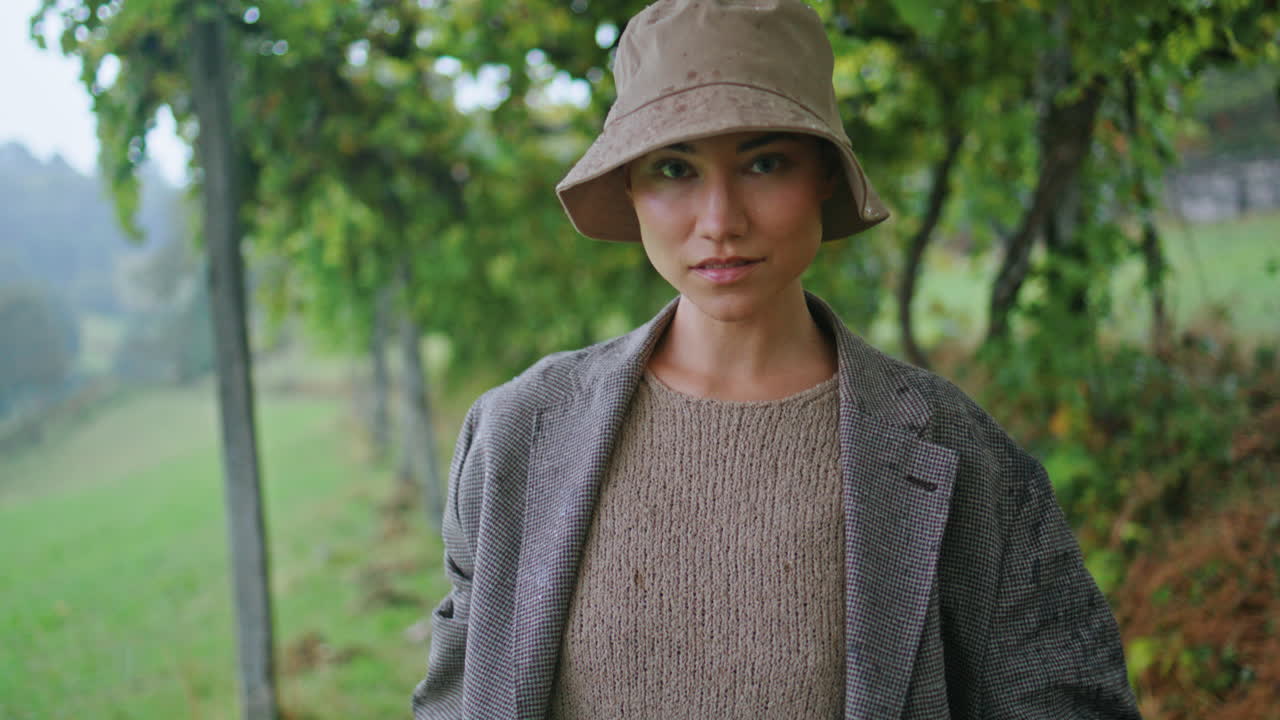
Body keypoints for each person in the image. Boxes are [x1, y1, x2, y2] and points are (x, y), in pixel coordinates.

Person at [412, 0, 1140, 717]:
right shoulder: (518, 432)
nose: (721, 221)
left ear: (824, 174)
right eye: (674, 167)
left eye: (764, 162)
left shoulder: (962, 457)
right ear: (628, 186)